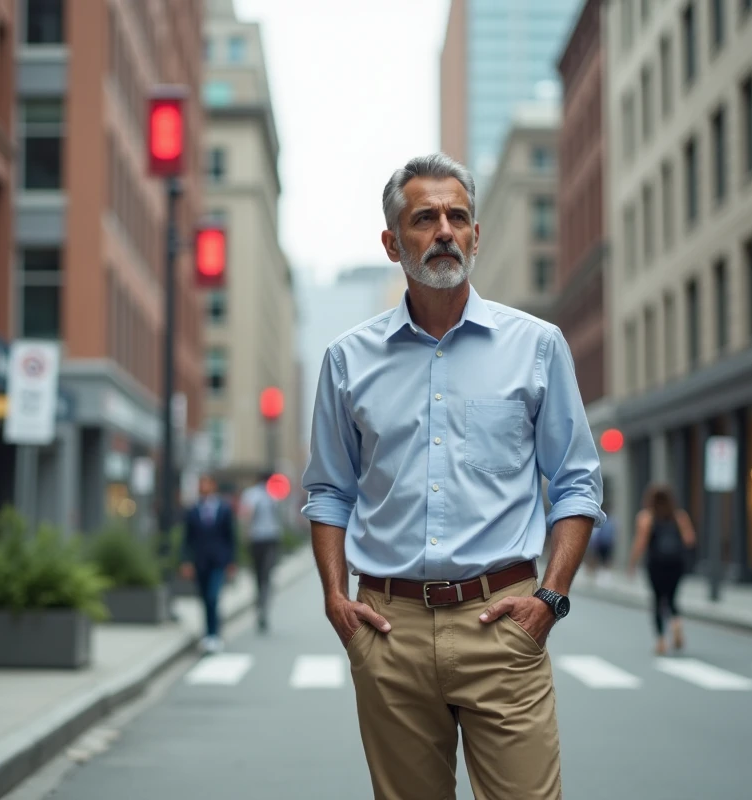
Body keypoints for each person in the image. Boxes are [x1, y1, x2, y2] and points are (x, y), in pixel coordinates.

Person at [301, 153, 604, 800]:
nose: (443, 229)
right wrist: (335, 599)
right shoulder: (347, 361)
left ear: (476, 235)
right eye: (424, 218)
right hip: (389, 629)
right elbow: (329, 490)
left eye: (457, 216)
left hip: (503, 623)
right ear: (391, 242)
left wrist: (548, 599)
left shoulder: (538, 346)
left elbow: (576, 482)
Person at [627, 484, 696, 655]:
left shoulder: (646, 517)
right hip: (676, 564)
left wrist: (632, 563)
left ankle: (661, 641)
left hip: (656, 564)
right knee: (672, 598)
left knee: (658, 600)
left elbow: (640, 543)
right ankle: (676, 624)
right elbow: (689, 540)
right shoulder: (679, 516)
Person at [181, 475, 237, 654]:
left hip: (218, 561)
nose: (202, 487)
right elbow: (187, 539)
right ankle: (208, 634)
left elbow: (231, 537)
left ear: (213, 486)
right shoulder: (192, 510)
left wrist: (231, 562)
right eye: (200, 484)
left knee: (213, 596)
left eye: (206, 483)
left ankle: (214, 634)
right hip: (199, 562)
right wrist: (186, 561)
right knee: (204, 598)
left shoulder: (224, 509)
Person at [239, 472, 283, 633]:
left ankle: (261, 602)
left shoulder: (254, 494)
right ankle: (262, 602)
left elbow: (246, 516)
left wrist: (245, 534)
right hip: (266, 539)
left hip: (261, 539)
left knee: (261, 575)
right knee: (263, 576)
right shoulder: (267, 494)